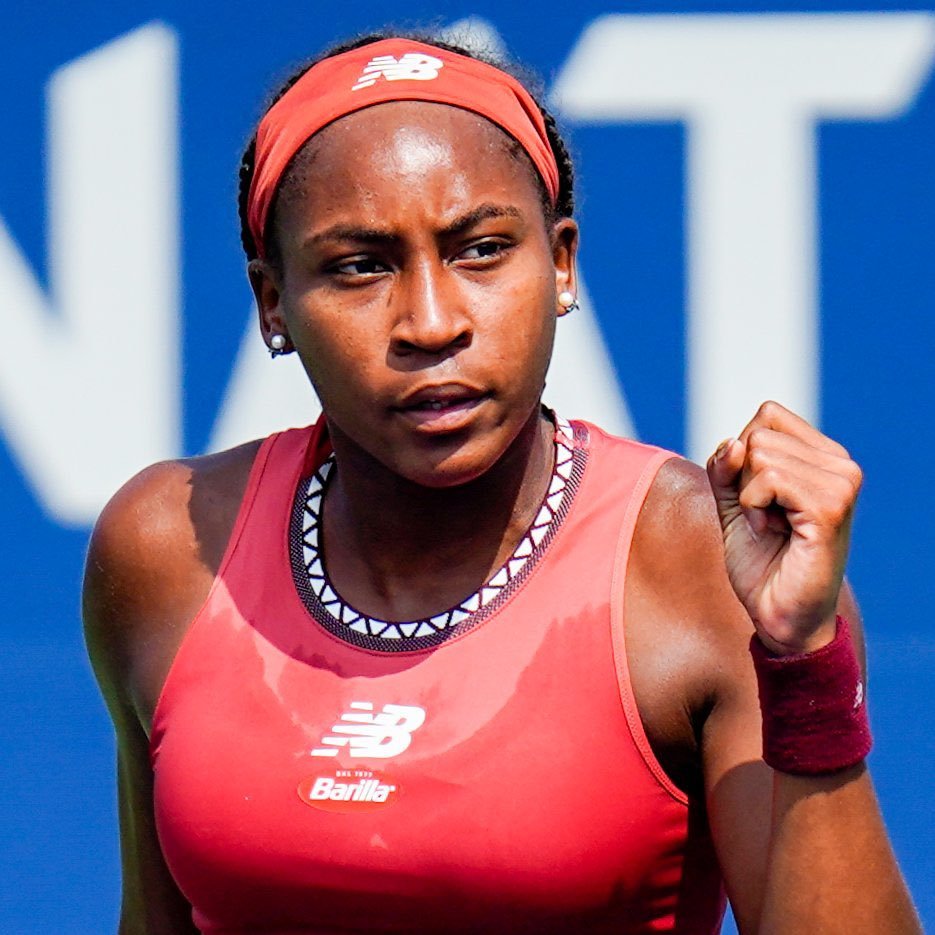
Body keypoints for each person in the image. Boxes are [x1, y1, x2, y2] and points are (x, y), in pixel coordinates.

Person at [82, 31, 920, 935]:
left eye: (479, 249)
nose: (430, 321)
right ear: (272, 302)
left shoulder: (706, 569)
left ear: (560, 263)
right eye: (360, 265)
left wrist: (803, 663)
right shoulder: (167, 548)